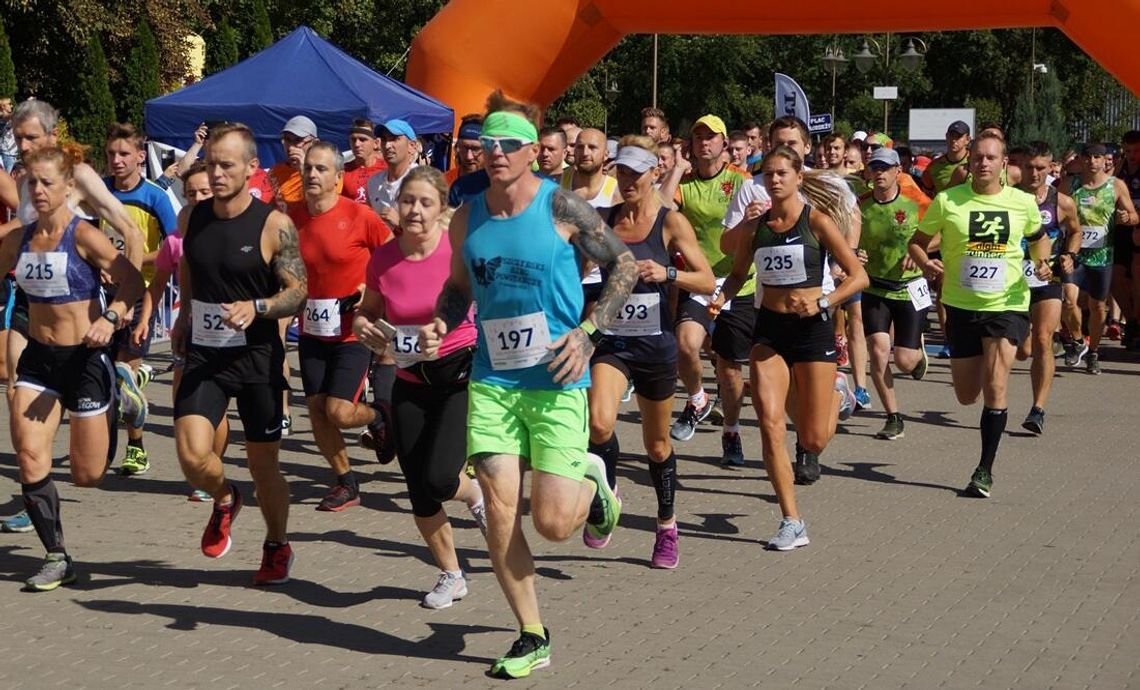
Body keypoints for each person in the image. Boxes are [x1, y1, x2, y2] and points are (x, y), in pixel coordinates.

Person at [419, 93, 636, 679]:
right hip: (493, 382)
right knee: (499, 511)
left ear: (533, 151)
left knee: (554, 524)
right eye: (487, 143)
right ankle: (531, 633)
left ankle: (593, 483)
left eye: (508, 144)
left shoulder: (562, 207)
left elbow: (623, 266)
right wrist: (442, 320)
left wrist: (588, 334)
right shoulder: (466, 217)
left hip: (557, 379)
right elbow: (458, 288)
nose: (494, 152)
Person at [0, 145, 144, 590]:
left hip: (84, 359)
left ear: (68, 187)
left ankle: (121, 392)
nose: (39, 190)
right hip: (39, 361)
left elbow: (132, 280)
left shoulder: (83, 236)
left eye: (48, 182)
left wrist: (111, 317)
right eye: (32, 183)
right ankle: (56, 556)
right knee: (29, 456)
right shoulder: (17, 240)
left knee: (87, 475)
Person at [170, 122, 307, 584]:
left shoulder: (274, 225)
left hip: (257, 359)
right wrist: (184, 316)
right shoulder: (192, 217)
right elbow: (190, 265)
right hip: (206, 355)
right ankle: (226, 497)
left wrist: (259, 307)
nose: (216, 173)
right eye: (211, 164)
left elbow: (298, 292)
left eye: (226, 165)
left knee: (263, 466)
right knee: (192, 456)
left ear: (251, 167)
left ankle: (277, 544)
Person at [712, 144, 868, 549]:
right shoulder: (755, 228)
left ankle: (839, 393)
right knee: (770, 424)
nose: (775, 179)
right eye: (768, 173)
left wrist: (823, 303)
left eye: (783, 172)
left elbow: (858, 277)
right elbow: (737, 274)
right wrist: (720, 298)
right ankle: (791, 520)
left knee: (813, 440)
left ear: (799, 177)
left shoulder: (816, 221)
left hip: (812, 330)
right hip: (769, 331)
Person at [353, 165, 487, 608]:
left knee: (440, 478)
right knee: (418, 488)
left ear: (441, 207)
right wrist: (363, 326)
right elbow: (368, 311)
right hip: (408, 380)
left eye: (425, 202)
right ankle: (451, 574)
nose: (414, 210)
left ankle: (474, 494)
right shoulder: (383, 259)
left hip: (457, 377)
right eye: (408, 200)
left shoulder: (456, 252)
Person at [588, 137, 714, 568]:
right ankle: (607, 494)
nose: (627, 181)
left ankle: (666, 525)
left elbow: (707, 280)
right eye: (621, 172)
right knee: (598, 423)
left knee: (657, 446)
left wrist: (668, 272)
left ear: (654, 174)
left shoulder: (670, 222)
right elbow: (576, 269)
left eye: (635, 174)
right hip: (613, 341)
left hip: (655, 345)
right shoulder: (603, 220)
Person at [908, 132, 1053, 498]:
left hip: (1007, 304)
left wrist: (1042, 262)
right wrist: (926, 264)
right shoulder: (948, 201)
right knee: (966, 394)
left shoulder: (1022, 203)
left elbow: (1039, 238)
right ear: (969, 162)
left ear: (1004, 163)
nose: (983, 163)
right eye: (978, 157)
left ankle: (984, 470)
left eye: (991, 157)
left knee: (996, 383)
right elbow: (917, 243)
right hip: (961, 307)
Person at [296, 142, 392, 510]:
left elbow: (392, 257)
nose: (312, 174)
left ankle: (380, 415)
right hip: (312, 330)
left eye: (321, 168)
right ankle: (346, 481)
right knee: (317, 410)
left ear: (338, 177)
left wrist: (370, 289)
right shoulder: (291, 217)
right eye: (309, 167)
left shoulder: (359, 216)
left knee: (338, 410)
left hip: (354, 329)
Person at [660, 115, 752, 468]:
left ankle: (731, 431)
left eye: (711, 137)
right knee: (685, 344)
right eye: (698, 137)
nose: (704, 142)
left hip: (738, 281)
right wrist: (676, 168)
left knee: (729, 370)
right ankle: (698, 399)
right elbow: (660, 208)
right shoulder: (685, 183)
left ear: (724, 143)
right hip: (699, 279)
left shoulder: (740, 180)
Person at [102, 122, 179, 476]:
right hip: (101, 295)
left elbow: (174, 247)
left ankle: (136, 448)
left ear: (139, 156)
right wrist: (100, 264)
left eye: (124, 154)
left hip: (140, 295)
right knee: (104, 378)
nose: (116, 161)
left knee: (124, 378)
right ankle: (102, 448)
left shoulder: (155, 196)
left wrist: (133, 261)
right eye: (111, 154)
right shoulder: (100, 192)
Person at [857, 147, 932, 440]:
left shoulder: (917, 201)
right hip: (875, 286)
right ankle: (893, 416)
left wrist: (919, 250)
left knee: (905, 361)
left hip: (909, 287)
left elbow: (941, 232)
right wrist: (855, 254)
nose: (879, 173)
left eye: (885, 168)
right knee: (878, 350)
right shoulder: (860, 204)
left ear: (897, 171)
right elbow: (847, 238)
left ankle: (917, 354)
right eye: (874, 167)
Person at [1013, 142, 1081, 434]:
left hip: (1047, 279)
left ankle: (1037, 409)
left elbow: (1075, 231)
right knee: (1023, 350)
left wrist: (1070, 255)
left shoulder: (1062, 202)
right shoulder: (1007, 199)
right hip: (1012, 281)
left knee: (1043, 339)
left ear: (1051, 167)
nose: (1034, 173)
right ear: (1020, 166)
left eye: (1040, 168)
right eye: (1029, 167)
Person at [1062, 143, 1138, 373]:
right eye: (1088, 157)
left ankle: (1093, 352)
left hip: (1102, 256)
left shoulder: (1115, 185)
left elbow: (1134, 215)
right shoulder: (1070, 184)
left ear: (1105, 160)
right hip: (1074, 254)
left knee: (1097, 307)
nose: (1092, 162)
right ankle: (1078, 341)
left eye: (1097, 157)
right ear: (1081, 159)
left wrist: (1127, 218)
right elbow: (1054, 211)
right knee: (1068, 301)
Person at [367, 119, 419, 228]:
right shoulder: (374, 182)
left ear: (412, 146)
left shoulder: (423, 181)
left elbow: (435, 229)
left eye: (394, 139)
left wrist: (401, 224)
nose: (387, 145)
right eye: (384, 139)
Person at [1114, 130, 1140, 349]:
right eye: (1128, 150)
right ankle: (1130, 320)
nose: (1133, 156)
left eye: (1137, 151)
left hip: (1138, 228)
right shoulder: (1120, 168)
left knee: (1137, 274)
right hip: (1121, 229)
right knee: (1116, 276)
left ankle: (1137, 324)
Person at [268, 115, 318, 222]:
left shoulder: (325, 172)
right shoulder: (275, 171)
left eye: (298, 140)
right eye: (287, 140)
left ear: (314, 143)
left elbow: (318, 206)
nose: (291, 147)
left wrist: (304, 170)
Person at [341, 118, 387, 205]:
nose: (357, 144)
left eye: (362, 139)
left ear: (376, 143)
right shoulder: (342, 171)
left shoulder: (387, 170)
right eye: (353, 139)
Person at [445, 115, 485, 188]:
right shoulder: (443, 183)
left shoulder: (498, 185)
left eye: (475, 149)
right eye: (464, 148)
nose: (469, 157)